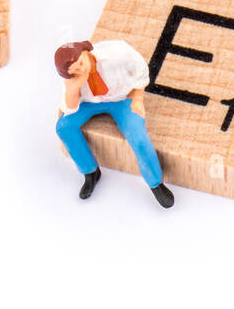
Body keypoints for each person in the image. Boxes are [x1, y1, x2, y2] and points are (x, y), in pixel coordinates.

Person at [53, 40, 174, 208]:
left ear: (86, 51)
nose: (81, 69)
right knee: (63, 127)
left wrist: (138, 97)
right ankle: (90, 172)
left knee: (138, 137)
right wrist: (74, 88)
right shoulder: (73, 79)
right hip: (89, 103)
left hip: (122, 99)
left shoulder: (117, 53)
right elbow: (70, 108)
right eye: (74, 71)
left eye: (81, 63)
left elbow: (140, 68)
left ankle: (155, 183)